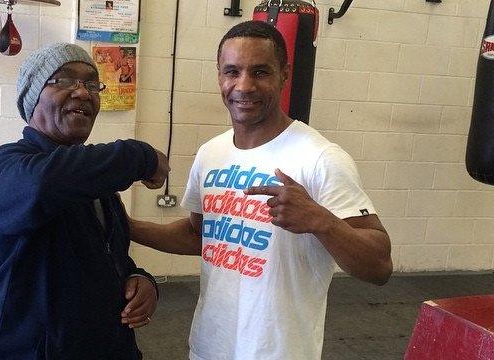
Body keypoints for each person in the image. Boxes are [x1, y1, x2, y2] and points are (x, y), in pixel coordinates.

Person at [129, 20, 393, 360]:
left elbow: (380, 265)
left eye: (260, 72)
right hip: (210, 346)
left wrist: (321, 221)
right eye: (232, 71)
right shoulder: (211, 153)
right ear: (219, 76)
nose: (244, 85)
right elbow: (201, 236)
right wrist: (125, 224)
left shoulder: (319, 158)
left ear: (284, 74)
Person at [0, 43, 169, 359]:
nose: (83, 92)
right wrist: (141, 155)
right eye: (63, 80)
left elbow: (107, 256)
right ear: (33, 97)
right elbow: (44, 185)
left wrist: (140, 279)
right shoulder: (7, 166)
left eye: (92, 83)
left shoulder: (94, 183)